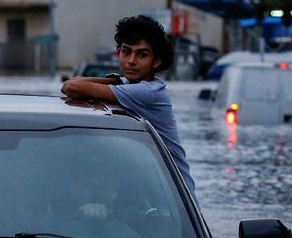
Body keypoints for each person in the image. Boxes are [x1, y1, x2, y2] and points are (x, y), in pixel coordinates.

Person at [61, 15, 196, 198]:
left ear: (156, 61)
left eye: (141, 55)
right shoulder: (131, 85)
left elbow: (72, 87)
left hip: (176, 194)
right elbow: (73, 83)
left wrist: (115, 82)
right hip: (155, 185)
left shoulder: (149, 92)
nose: (131, 61)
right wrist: (117, 81)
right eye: (126, 52)